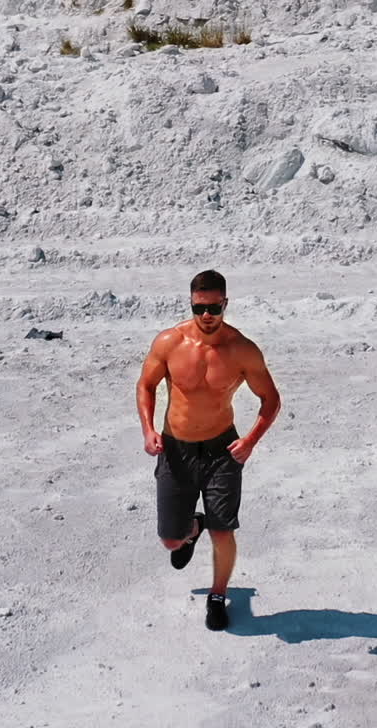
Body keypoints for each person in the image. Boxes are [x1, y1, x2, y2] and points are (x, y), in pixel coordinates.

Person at [136, 269, 281, 630]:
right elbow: (146, 385)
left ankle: (218, 595)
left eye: (214, 308)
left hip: (221, 449)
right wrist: (148, 429)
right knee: (171, 541)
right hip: (176, 449)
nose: (207, 315)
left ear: (225, 304)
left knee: (224, 531)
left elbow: (271, 399)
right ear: (191, 304)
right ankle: (193, 526)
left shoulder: (242, 350)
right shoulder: (169, 342)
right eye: (200, 307)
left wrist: (250, 441)